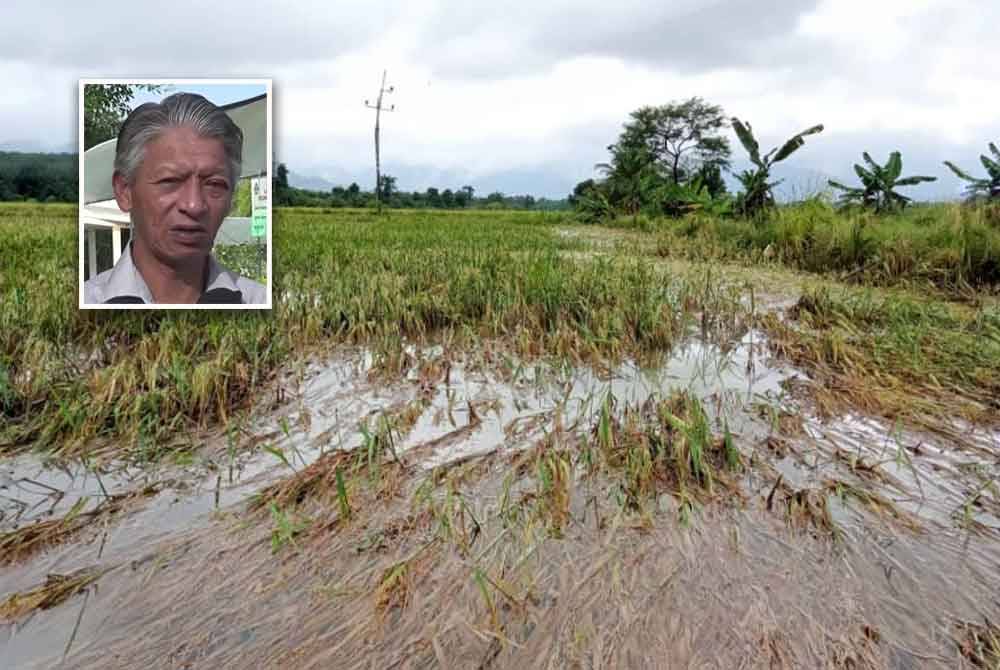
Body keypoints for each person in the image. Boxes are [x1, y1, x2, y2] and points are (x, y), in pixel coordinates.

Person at [84, 92, 266, 305]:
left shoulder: (260, 304)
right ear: (125, 191)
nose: (194, 205)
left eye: (215, 184)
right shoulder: (84, 307)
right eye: (170, 181)